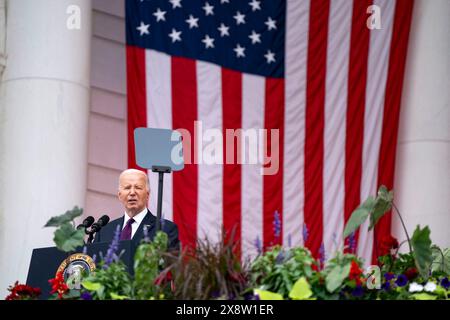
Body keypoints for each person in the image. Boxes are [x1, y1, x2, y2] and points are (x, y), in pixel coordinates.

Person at [94, 169, 180, 250]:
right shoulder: (104, 231)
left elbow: (171, 264)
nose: (132, 193)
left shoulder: (165, 229)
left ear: (147, 195)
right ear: (119, 195)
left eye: (138, 187)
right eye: (127, 188)